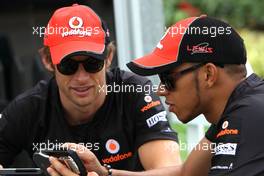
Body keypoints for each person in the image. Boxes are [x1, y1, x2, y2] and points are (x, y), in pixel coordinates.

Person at [49, 16, 264, 176]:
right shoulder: (242, 107)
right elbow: (186, 174)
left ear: (208, 74)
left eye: (168, 78)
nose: (160, 89)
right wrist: (105, 173)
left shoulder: (245, 119)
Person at [0, 3, 181, 176]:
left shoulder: (134, 92)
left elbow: (171, 171)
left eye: (92, 63)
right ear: (48, 61)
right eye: (68, 66)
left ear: (109, 57)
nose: (81, 77)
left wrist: (105, 174)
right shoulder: (29, 107)